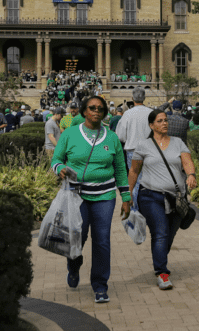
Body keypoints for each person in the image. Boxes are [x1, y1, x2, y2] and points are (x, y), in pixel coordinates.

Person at [51, 96, 131, 304]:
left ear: (104, 113)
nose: (96, 111)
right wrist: (60, 169)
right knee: (77, 238)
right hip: (76, 196)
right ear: (84, 111)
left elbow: (121, 169)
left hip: (104, 196)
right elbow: (56, 160)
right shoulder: (69, 134)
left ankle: (100, 285)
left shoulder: (112, 137)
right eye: (92, 108)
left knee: (102, 240)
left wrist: (126, 196)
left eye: (100, 108)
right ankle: (74, 265)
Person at [128, 109, 197, 290]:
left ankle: (160, 259)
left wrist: (191, 174)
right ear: (152, 125)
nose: (164, 123)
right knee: (160, 232)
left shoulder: (177, 142)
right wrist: (128, 193)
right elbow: (134, 170)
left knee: (168, 235)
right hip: (150, 196)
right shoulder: (143, 145)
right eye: (160, 121)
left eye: (165, 120)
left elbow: (187, 161)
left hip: (176, 198)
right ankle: (162, 272)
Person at [116, 87, 153, 206]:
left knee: (134, 181)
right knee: (148, 181)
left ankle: (136, 209)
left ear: (132, 99)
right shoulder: (151, 112)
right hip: (149, 150)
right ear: (144, 98)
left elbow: (120, 136)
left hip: (132, 150)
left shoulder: (127, 114)